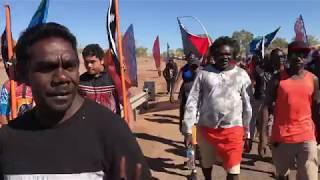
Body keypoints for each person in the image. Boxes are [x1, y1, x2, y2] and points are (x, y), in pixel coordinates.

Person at [0, 22, 151, 179]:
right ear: (24, 74)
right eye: (47, 67)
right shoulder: (8, 139)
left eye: (69, 66)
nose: (62, 77)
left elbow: (124, 99)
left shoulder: (113, 132)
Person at [182, 36, 252, 180]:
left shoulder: (242, 75)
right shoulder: (203, 74)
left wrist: (248, 131)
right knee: (206, 164)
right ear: (214, 55)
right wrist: (188, 130)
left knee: (234, 172)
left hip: (234, 130)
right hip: (206, 129)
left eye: (228, 54)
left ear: (233, 55)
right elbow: (192, 101)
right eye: (221, 54)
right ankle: (201, 174)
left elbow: (248, 106)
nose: (225, 57)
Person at [259, 41, 319, 180]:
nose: (299, 58)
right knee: (282, 176)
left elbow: (316, 108)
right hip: (281, 138)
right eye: (295, 54)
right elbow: (266, 107)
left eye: (303, 54)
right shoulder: (277, 78)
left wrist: (318, 131)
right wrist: (262, 137)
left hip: (306, 137)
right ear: (289, 56)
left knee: (309, 176)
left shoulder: (313, 79)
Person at [79, 44, 120, 115]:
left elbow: (126, 102)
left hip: (111, 122)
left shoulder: (113, 78)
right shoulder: (81, 81)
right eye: (86, 62)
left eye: (92, 62)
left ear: (102, 60)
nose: (89, 65)